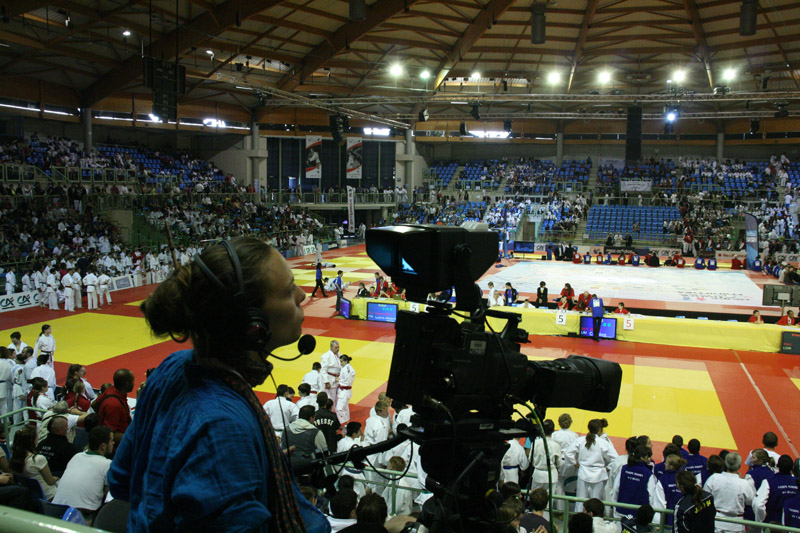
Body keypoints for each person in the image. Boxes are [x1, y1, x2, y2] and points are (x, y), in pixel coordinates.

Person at [106, 237, 329, 531]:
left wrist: (262, 466)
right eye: (288, 290)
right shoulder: (223, 426)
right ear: (253, 323)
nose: (301, 295)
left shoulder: (172, 367)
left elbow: (121, 480)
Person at [51, 426, 115, 520]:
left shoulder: (76, 456)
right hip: (82, 515)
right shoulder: (107, 464)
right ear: (103, 446)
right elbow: (108, 493)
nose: (113, 443)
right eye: (112, 440)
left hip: (55, 510)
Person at [564, 418, 618, 512]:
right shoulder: (603, 443)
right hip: (599, 475)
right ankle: (594, 521)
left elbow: (568, 453)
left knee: (580, 501)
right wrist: (608, 468)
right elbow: (615, 458)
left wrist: (575, 463)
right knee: (596, 501)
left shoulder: (580, 440)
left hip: (583, 472)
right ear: (600, 429)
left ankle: (579, 519)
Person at [703, 452, 755, 533]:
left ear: (725, 463)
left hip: (717, 521)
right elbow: (751, 501)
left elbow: (704, 497)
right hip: (736, 524)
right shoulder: (744, 484)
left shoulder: (714, 478)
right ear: (740, 466)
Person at [10, 425, 59, 500]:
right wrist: (55, 478)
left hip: (31, 495)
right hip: (48, 495)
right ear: (32, 440)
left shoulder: (13, 458)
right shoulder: (38, 459)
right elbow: (50, 481)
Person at [613, 444, 657, 520]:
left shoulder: (624, 468)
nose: (651, 459)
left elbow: (615, 488)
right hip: (639, 515)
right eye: (649, 457)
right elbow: (651, 496)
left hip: (621, 511)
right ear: (644, 457)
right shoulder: (648, 474)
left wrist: (615, 506)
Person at [92, 368, 134, 445]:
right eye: (133, 381)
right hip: (117, 448)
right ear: (127, 384)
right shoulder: (114, 405)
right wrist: (133, 438)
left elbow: (94, 404)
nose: (134, 383)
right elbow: (110, 434)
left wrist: (101, 416)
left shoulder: (110, 390)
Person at [753, 455, 799, 523]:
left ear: (777, 466)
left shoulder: (769, 481)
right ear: (792, 467)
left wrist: (761, 519)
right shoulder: (798, 482)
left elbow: (757, 504)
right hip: (793, 524)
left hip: (774, 524)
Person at [531, 419, 562, 491]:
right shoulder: (556, 445)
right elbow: (559, 463)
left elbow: (531, 459)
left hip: (538, 474)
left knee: (535, 497)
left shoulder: (536, 443)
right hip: (551, 475)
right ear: (553, 430)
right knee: (549, 500)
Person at [321, 340, 342, 407]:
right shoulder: (326, 356)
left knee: (337, 398)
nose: (337, 349)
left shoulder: (339, 354)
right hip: (330, 379)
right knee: (330, 398)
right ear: (331, 347)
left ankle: (334, 412)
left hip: (337, 378)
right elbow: (323, 370)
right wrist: (326, 381)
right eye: (336, 347)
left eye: (338, 347)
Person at [336, 354, 355, 425]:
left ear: (346, 361)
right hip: (344, 391)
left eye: (342, 361)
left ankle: (345, 421)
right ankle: (347, 422)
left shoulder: (348, 369)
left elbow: (348, 382)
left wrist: (338, 380)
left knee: (339, 409)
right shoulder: (345, 368)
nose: (341, 363)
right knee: (345, 408)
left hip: (345, 391)